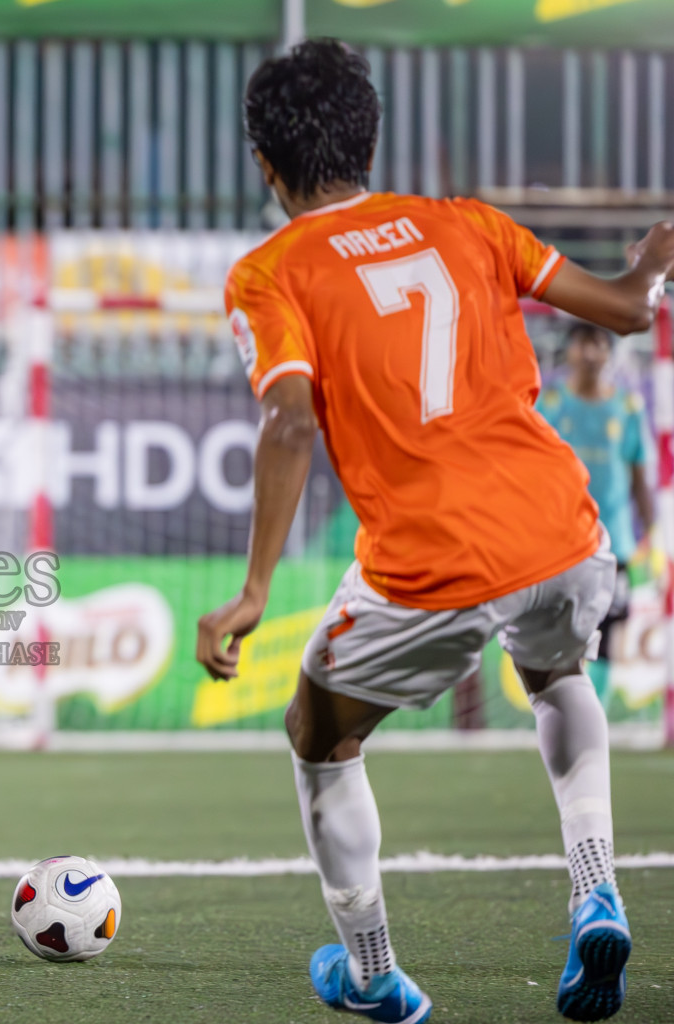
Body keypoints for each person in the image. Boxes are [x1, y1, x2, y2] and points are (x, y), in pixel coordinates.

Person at [195, 39, 674, 1024]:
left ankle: (373, 972)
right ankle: (595, 886)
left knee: (318, 734)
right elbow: (626, 310)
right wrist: (655, 262)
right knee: (558, 676)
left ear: (265, 164)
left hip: (429, 561)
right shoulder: (468, 225)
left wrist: (251, 592)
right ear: (370, 138)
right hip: (563, 529)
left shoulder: (268, 273)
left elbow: (287, 419)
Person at [538, 322, 659, 702]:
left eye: (598, 345)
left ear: (608, 353)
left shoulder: (627, 408)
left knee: (607, 633)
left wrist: (653, 535)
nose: (590, 353)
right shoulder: (551, 403)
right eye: (582, 344)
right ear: (569, 352)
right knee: (558, 632)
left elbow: (639, 475)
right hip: (559, 543)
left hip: (613, 545)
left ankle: (596, 716)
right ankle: (559, 712)